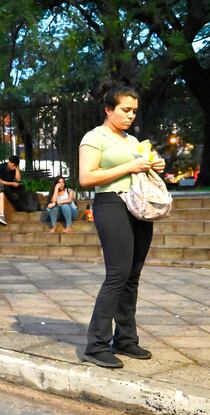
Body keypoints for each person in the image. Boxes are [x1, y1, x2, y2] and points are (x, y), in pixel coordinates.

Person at [78, 83, 165, 369]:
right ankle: (96, 345)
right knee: (117, 274)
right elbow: (86, 178)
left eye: (134, 111)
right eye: (125, 110)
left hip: (138, 205)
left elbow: (138, 167)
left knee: (133, 275)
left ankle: (126, 339)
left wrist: (153, 164)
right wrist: (129, 167)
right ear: (108, 109)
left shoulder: (130, 141)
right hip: (111, 204)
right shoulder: (95, 137)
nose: (131, 116)